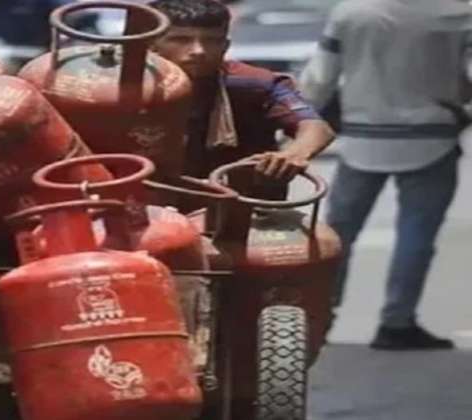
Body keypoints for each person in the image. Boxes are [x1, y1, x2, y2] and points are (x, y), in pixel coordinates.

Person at [299, 0, 472, 350]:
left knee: (338, 233)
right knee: (417, 236)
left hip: (362, 139)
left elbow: (319, 78)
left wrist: (298, 124)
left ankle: (320, 316)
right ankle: (397, 321)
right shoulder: (459, 14)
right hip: (433, 137)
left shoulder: (351, 12)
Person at [147, 0, 334, 186]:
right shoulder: (132, 86)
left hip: (242, 199)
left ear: (225, 46)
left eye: (212, 41)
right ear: (150, 46)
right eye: (181, 40)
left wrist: (294, 154)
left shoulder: (256, 83)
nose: (199, 51)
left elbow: (315, 127)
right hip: (151, 196)